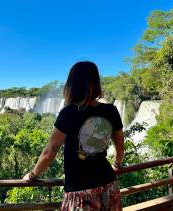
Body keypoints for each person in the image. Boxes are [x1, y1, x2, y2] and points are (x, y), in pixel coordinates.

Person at [23, 61, 124, 211]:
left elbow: (50, 152)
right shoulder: (111, 110)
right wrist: (117, 164)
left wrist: (32, 175)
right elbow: (120, 146)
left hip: (80, 192)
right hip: (108, 186)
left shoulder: (68, 113)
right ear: (96, 83)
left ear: (72, 85)